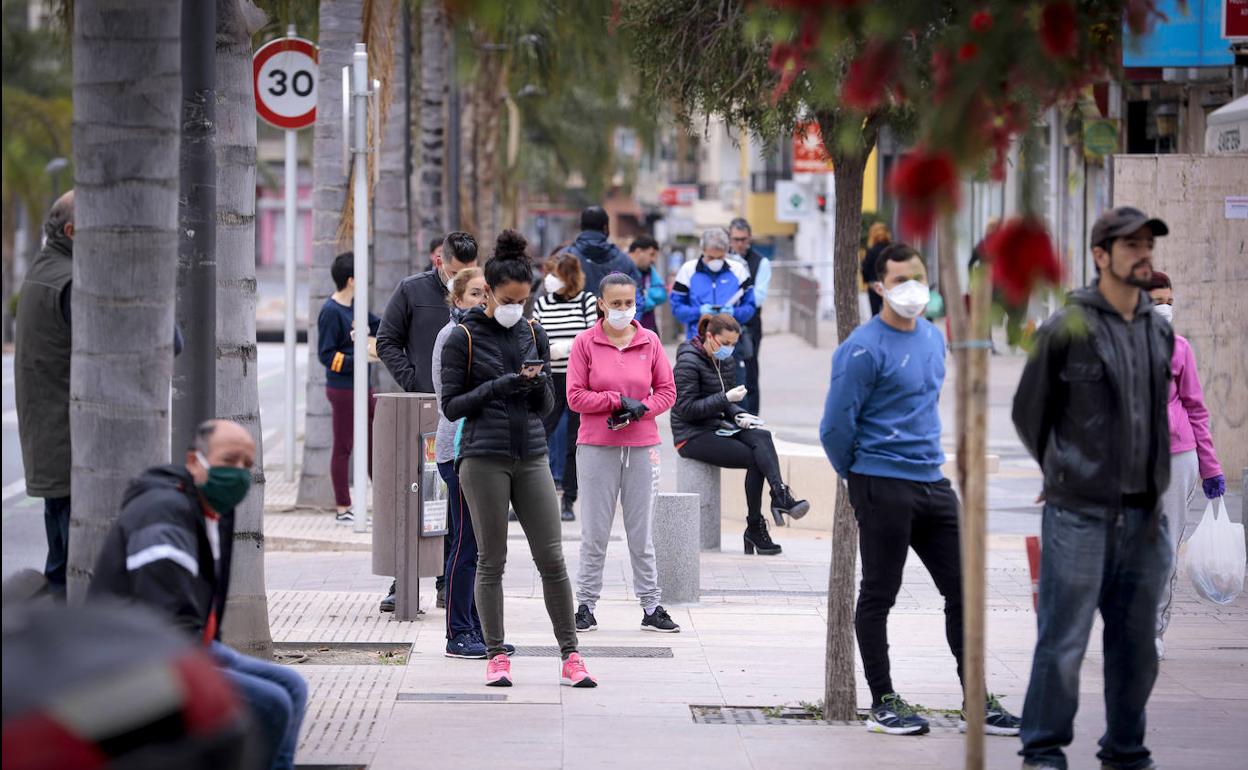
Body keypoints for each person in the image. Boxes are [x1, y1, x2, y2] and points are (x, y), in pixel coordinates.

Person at [820, 243, 1021, 738]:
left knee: (964, 591)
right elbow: (834, 427)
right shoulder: (862, 348)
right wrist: (861, 477)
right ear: (878, 286)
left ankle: (977, 697)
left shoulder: (933, 337)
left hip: (933, 482)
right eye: (901, 278)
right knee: (879, 593)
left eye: (919, 276)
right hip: (882, 483)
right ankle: (883, 700)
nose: (913, 286)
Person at [1013, 207, 1175, 770]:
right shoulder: (1067, 327)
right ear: (1100, 255)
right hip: (1079, 514)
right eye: (1130, 244)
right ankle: (1043, 749)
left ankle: (1126, 750)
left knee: (1137, 651)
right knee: (1063, 643)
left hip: (1145, 519)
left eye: (1147, 242)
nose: (1143, 252)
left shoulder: (1159, 327)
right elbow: (1028, 412)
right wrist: (1061, 471)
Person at [89, 420, 307, 770]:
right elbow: (163, 619)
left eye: (246, 465)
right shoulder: (164, 516)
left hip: (190, 645)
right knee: (272, 704)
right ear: (194, 461)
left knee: (292, 686)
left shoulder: (212, 510)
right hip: (142, 658)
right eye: (228, 460)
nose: (238, 473)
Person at [440, 229, 596, 689]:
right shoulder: (462, 338)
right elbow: (451, 405)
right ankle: (495, 655)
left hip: (531, 455)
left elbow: (548, 408)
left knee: (553, 558)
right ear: (487, 291)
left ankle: (571, 655)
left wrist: (537, 386)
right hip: (482, 458)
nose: (517, 308)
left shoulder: (533, 332)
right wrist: (499, 387)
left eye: (524, 300)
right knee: (492, 560)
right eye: (509, 299)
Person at [15, 191, 183, 599]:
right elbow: (162, 343)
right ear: (73, 232)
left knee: (62, 566)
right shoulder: (75, 282)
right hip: (76, 450)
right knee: (76, 573)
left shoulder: (46, 270)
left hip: (56, 445)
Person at [567, 272, 678, 634]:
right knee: (595, 532)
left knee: (641, 533)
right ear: (601, 304)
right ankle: (585, 604)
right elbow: (575, 397)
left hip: (642, 446)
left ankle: (651, 605)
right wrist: (616, 400)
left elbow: (667, 391)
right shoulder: (585, 343)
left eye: (628, 303)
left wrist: (642, 408)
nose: (622, 310)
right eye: (615, 304)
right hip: (597, 446)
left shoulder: (650, 341)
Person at [377, 231, 479, 613]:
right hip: (420, 411)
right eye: (454, 272)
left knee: (454, 499)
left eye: (466, 273)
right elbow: (387, 340)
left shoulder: (480, 295)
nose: (460, 280)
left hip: (463, 415)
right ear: (439, 261)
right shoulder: (412, 291)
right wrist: (415, 381)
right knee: (415, 496)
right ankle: (401, 582)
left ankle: (445, 583)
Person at [431, 267, 516, 659]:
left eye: (487, 294)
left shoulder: (494, 334)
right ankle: (457, 633)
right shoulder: (452, 337)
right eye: (475, 294)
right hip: (459, 450)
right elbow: (450, 399)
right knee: (465, 543)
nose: (483, 301)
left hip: (489, 449)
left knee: (485, 547)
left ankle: (480, 628)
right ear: (457, 298)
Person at [671, 313, 808, 556]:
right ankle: (756, 526)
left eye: (734, 344)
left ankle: (779, 495)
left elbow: (726, 404)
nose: (730, 349)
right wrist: (726, 400)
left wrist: (738, 414)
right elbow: (686, 410)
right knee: (756, 458)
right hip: (691, 435)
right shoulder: (688, 362)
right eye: (725, 343)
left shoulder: (727, 361)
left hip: (717, 426)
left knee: (762, 437)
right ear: (709, 336)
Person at [1146, 270, 1224, 661]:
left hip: (1178, 458)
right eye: (1157, 301)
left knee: (1164, 549)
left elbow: (1196, 408)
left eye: (1169, 302)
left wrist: (1211, 468)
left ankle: (1153, 630)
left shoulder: (1180, 349)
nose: (1164, 309)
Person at [533, 250, 598, 521]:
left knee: (574, 441)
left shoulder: (587, 301)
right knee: (539, 436)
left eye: (555, 274)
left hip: (578, 380)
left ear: (569, 277)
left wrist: (568, 348)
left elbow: (593, 337)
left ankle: (569, 498)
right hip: (550, 379)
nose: (549, 279)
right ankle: (535, 496)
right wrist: (549, 352)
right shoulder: (542, 303)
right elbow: (535, 337)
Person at [317, 252, 380, 525]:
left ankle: (382, 497)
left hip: (362, 386)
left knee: (374, 440)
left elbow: (379, 325)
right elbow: (326, 355)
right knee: (343, 446)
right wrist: (360, 358)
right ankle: (343, 507)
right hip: (342, 389)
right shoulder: (331, 312)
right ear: (351, 280)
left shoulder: (357, 306)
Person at [670, 228, 757, 340]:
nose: (715, 262)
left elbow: (750, 307)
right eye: (710, 257)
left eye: (720, 257)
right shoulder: (688, 270)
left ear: (726, 252)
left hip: (730, 343)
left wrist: (734, 312)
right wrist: (699, 312)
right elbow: (677, 309)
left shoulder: (739, 271)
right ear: (703, 250)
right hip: (697, 342)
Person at [728, 217, 770, 416]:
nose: (739, 244)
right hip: (724, 324)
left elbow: (758, 297)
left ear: (749, 238)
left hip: (749, 324)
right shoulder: (722, 260)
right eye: (736, 239)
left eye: (743, 239)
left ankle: (752, 416)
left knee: (750, 372)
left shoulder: (761, 262)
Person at [565, 205, 643, 302]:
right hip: (614, 317)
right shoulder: (624, 260)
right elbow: (637, 297)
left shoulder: (564, 257)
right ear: (605, 227)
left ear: (581, 226)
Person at [627, 235, 668, 334]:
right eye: (651, 254)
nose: (653, 260)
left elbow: (662, 293)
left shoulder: (649, 271)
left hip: (649, 328)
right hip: (629, 329)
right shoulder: (621, 269)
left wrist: (645, 297)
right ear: (638, 252)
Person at [862, 222, 891, 317]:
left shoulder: (871, 251)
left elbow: (865, 268)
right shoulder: (892, 250)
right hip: (889, 285)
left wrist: (866, 280)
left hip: (874, 286)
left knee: (875, 314)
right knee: (890, 314)